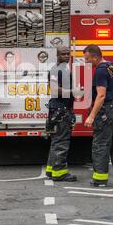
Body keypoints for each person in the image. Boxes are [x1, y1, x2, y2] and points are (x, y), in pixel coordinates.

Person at [83, 44, 113, 187]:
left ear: (95, 56)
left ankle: (100, 179)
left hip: (107, 112)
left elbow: (101, 95)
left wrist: (91, 116)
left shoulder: (100, 71)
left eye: (87, 58)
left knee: (101, 146)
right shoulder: (111, 67)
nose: (86, 61)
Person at [45, 46, 77, 182]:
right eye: (63, 54)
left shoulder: (64, 70)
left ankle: (51, 169)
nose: (66, 56)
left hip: (61, 109)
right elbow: (54, 90)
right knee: (61, 142)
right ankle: (59, 173)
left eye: (68, 54)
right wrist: (72, 91)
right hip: (60, 111)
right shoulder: (56, 70)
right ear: (57, 55)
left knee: (56, 141)